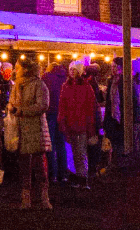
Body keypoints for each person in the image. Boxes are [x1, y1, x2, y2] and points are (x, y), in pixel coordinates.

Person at [9, 57, 52, 209]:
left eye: (18, 67)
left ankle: (44, 199)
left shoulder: (39, 85)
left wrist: (22, 111)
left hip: (35, 130)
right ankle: (26, 199)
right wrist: (11, 108)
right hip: (20, 130)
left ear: (26, 69)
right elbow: (12, 103)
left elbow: (43, 105)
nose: (15, 70)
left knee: (39, 165)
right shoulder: (16, 86)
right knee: (24, 166)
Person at [57, 61, 100, 187]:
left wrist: (90, 125)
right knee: (71, 152)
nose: (72, 72)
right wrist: (62, 121)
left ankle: (81, 177)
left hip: (81, 125)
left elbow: (90, 108)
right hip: (70, 125)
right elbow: (62, 105)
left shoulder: (86, 87)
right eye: (70, 69)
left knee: (80, 152)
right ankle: (76, 176)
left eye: (74, 70)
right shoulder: (66, 86)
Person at [42, 58, 70, 182]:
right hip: (62, 114)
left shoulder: (46, 77)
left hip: (50, 113)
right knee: (61, 144)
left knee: (50, 144)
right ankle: (63, 173)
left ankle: (52, 174)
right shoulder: (64, 78)